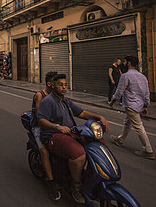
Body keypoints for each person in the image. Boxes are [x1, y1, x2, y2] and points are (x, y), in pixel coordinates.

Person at [38, 74, 110, 204]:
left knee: (99, 144)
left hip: (71, 132)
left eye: (66, 85)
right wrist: (57, 126)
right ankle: (76, 186)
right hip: (53, 135)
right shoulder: (47, 101)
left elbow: (81, 113)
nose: (64, 87)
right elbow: (41, 120)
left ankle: (89, 178)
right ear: (53, 85)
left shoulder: (66, 101)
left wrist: (98, 117)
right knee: (78, 153)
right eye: (60, 85)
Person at [109, 55, 155, 160]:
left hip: (131, 105)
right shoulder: (142, 77)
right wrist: (146, 105)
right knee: (127, 122)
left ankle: (148, 150)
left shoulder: (125, 76)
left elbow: (119, 91)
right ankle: (120, 140)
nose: (123, 64)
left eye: (125, 62)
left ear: (129, 63)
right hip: (139, 104)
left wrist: (112, 101)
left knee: (139, 127)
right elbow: (146, 92)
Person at [32, 72, 60, 201]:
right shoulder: (40, 95)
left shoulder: (58, 96)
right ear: (50, 84)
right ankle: (51, 181)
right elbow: (40, 117)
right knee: (44, 152)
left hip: (54, 125)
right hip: (40, 127)